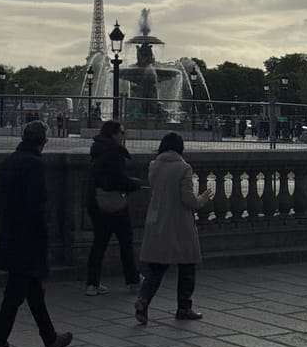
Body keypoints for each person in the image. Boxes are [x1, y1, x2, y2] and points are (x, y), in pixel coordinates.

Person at [0, 120, 72, 347]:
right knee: (13, 297)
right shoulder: (35, 165)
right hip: (27, 240)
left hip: (11, 236)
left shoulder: (9, 161)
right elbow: (38, 207)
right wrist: (45, 239)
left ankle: (50, 339)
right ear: (42, 141)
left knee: (34, 293)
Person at [135, 131, 213, 325]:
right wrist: (202, 199)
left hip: (157, 220)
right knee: (187, 266)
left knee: (157, 267)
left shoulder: (154, 166)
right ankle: (184, 307)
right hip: (179, 223)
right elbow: (187, 199)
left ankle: (143, 300)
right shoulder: (183, 168)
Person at [85, 120, 142, 296]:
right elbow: (118, 179)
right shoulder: (114, 152)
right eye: (122, 132)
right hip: (115, 203)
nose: (124, 136)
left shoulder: (97, 149)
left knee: (99, 243)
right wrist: (135, 184)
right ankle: (133, 281)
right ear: (114, 134)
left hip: (97, 201)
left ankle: (92, 284)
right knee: (126, 242)